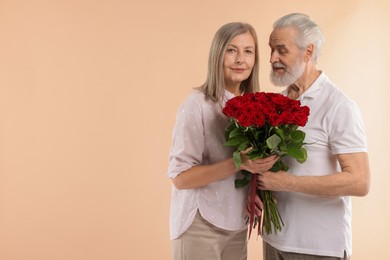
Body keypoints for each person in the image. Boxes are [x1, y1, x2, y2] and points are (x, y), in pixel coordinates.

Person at [256, 13, 371, 260]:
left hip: (317, 247)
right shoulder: (279, 102)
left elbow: (359, 181)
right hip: (274, 240)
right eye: (271, 50)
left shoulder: (338, 106)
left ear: (308, 52)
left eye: (281, 50)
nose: (272, 58)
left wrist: (288, 183)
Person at [167, 22, 278, 260]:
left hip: (237, 224)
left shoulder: (255, 107)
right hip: (200, 224)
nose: (240, 59)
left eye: (248, 51)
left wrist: (253, 191)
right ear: (217, 54)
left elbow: (246, 169)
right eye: (231, 50)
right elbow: (180, 177)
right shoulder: (197, 104)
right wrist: (239, 163)